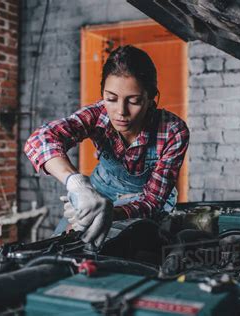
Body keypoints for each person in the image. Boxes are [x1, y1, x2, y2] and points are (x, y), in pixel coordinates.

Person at [24, 45, 189, 247]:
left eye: (134, 101)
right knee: (62, 244)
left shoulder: (173, 131)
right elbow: (41, 139)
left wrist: (112, 212)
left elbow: (152, 201)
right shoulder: (97, 115)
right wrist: (78, 186)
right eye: (111, 98)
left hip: (146, 202)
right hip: (99, 192)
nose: (120, 111)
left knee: (127, 248)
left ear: (150, 97)